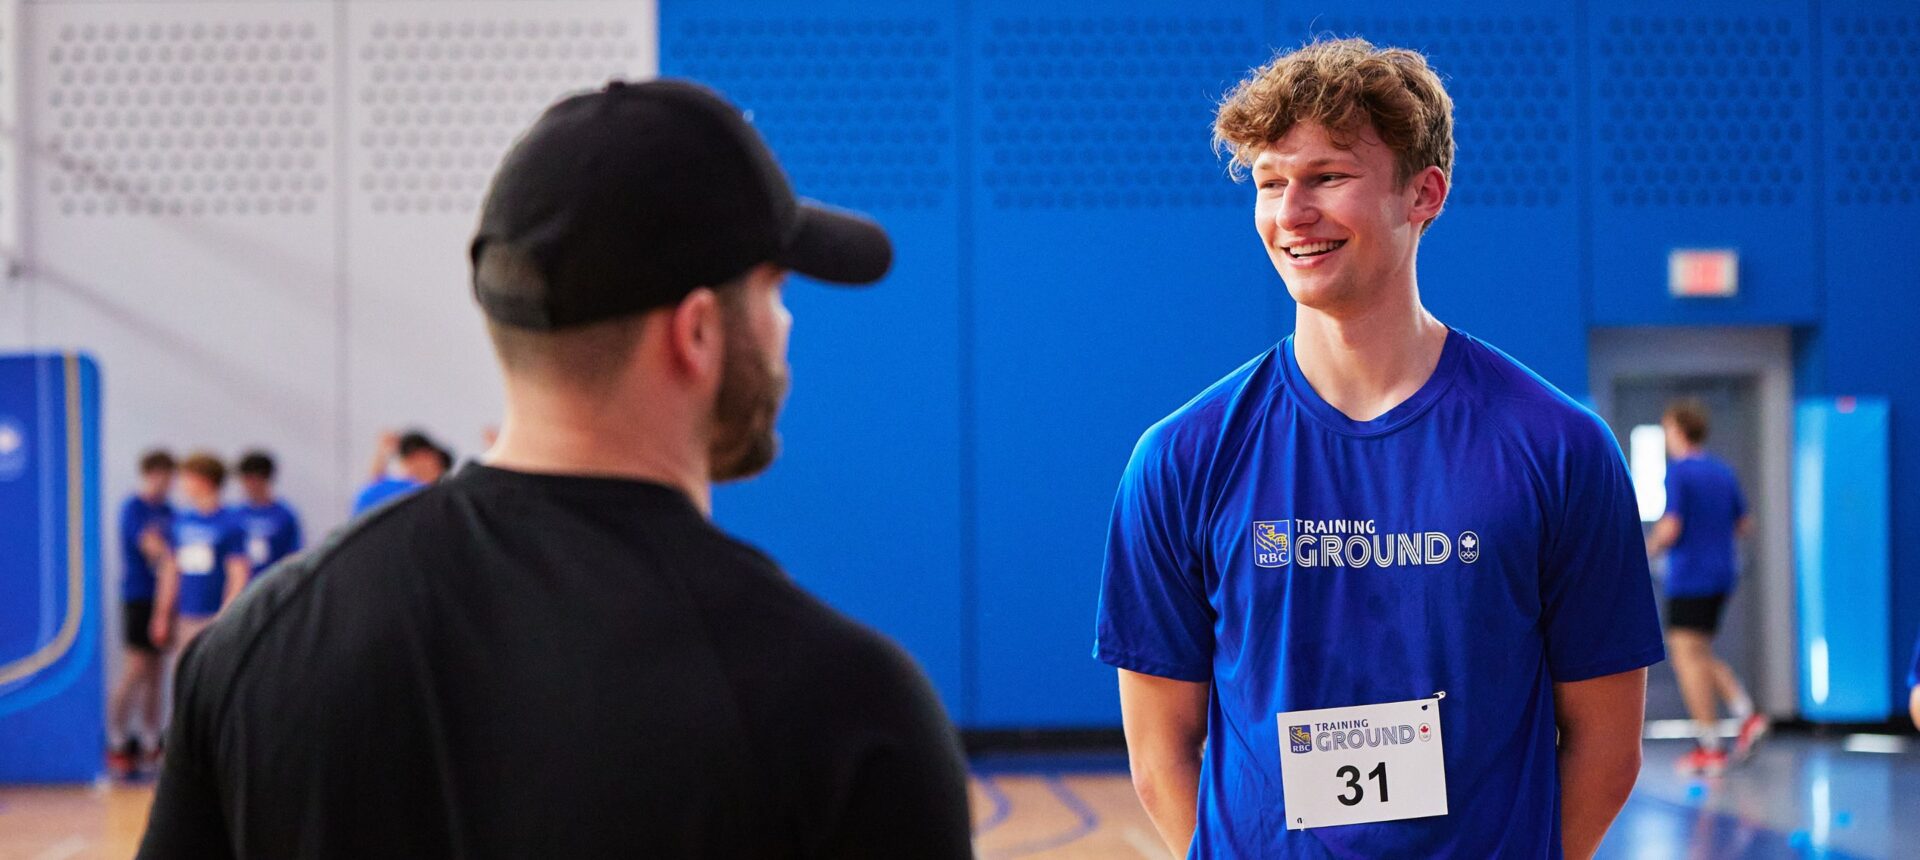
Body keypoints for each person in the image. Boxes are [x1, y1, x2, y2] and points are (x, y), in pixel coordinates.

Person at [138, 79, 972, 858]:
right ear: (697, 334)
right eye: (772, 291)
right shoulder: (846, 713)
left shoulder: (255, 651)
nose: (785, 327)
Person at [1094, 39, 1663, 859]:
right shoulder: (1181, 459)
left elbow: (1607, 752)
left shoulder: (1559, 448)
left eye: (1326, 177)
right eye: (1268, 183)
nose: (1290, 213)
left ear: (1423, 194)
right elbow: (1159, 755)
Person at [1645, 399, 1766, 775]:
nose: (1666, 437)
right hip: (1721, 575)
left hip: (1690, 575)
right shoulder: (1723, 472)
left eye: (1667, 429)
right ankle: (1746, 715)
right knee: (1698, 650)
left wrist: (1641, 551)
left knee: (1685, 656)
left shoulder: (1679, 473)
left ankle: (1710, 745)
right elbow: (1745, 524)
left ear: (1679, 430)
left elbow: (1672, 526)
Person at [106, 449, 176, 778]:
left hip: (165, 598)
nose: (165, 481)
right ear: (148, 474)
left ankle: (151, 738)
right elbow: (153, 547)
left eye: (169, 475)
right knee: (136, 667)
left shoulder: (169, 511)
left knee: (157, 674)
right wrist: (169, 558)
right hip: (138, 596)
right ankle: (117, 736)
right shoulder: (134, 508)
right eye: (159, 474)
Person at [150, 453, 250, 657]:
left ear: (203, 480)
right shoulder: (181, 521)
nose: (182, 485)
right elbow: (170, 571)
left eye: (187, 479)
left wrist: (226, 615)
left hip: (215, 616)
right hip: (186, 616)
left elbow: (238, 573)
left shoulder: (230, 523)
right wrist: (161, 615)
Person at [232, 450, 304, 580]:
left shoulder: (284, 515)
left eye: (250, 480)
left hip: (272, 583)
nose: (246, 486)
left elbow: (293, 555)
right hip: (244, 586)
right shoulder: (236, 515)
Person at [350, 429, 449, 515]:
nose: (418, 462)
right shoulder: (388, 488)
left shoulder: (438, 496)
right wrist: (382, 453)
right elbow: (374, 484)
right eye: (411, 455)